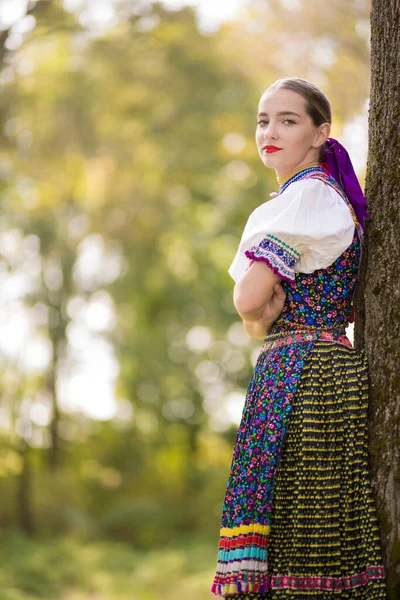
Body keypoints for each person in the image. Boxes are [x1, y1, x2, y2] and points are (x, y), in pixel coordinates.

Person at [210, 77, 388, 599]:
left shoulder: (310, 196)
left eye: (289, 121)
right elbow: (255, 314)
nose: (271, 131)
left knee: (302, 525)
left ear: (320, 133)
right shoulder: (290, 202)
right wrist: (259, 311)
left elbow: (248, 303)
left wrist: (259, 309)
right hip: (295, 365)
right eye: (264, 120)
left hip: (307, 372)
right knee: (292, 522)